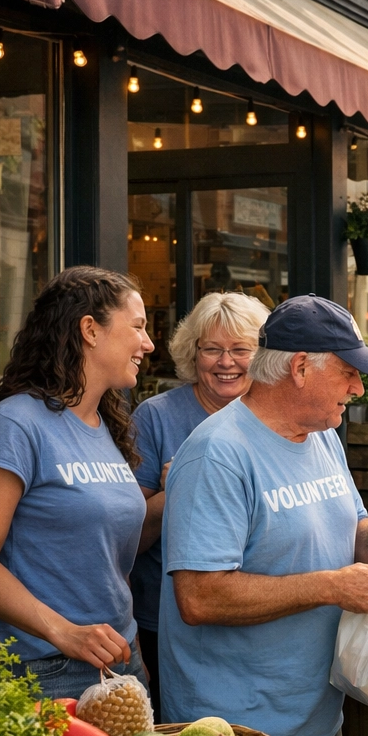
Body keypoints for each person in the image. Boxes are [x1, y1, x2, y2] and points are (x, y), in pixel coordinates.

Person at [160, 295, 368, 736]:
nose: (358, 389)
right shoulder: (217, 454)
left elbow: (351, 526)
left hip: (318, 721)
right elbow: (200, 597)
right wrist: (329, 586)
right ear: (300, 367)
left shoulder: (321, 436)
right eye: (348, 372)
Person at [0, 267, 154, 698]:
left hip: (115, 662)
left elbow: (102, 560)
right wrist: (63, 632)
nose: (148, 344)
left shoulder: (106, 426)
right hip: (39, 668)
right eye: (137, 327)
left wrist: (130, 644)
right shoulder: (13, 425)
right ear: (90, 330)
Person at [130, 291, 269, 709]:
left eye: (240, 349)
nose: (226, 362)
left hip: (259, 613)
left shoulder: (275, 417)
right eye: (212, 349)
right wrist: (176, 492)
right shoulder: (156, 417)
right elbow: (129, 537)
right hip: (168, 620)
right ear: (194, 354)